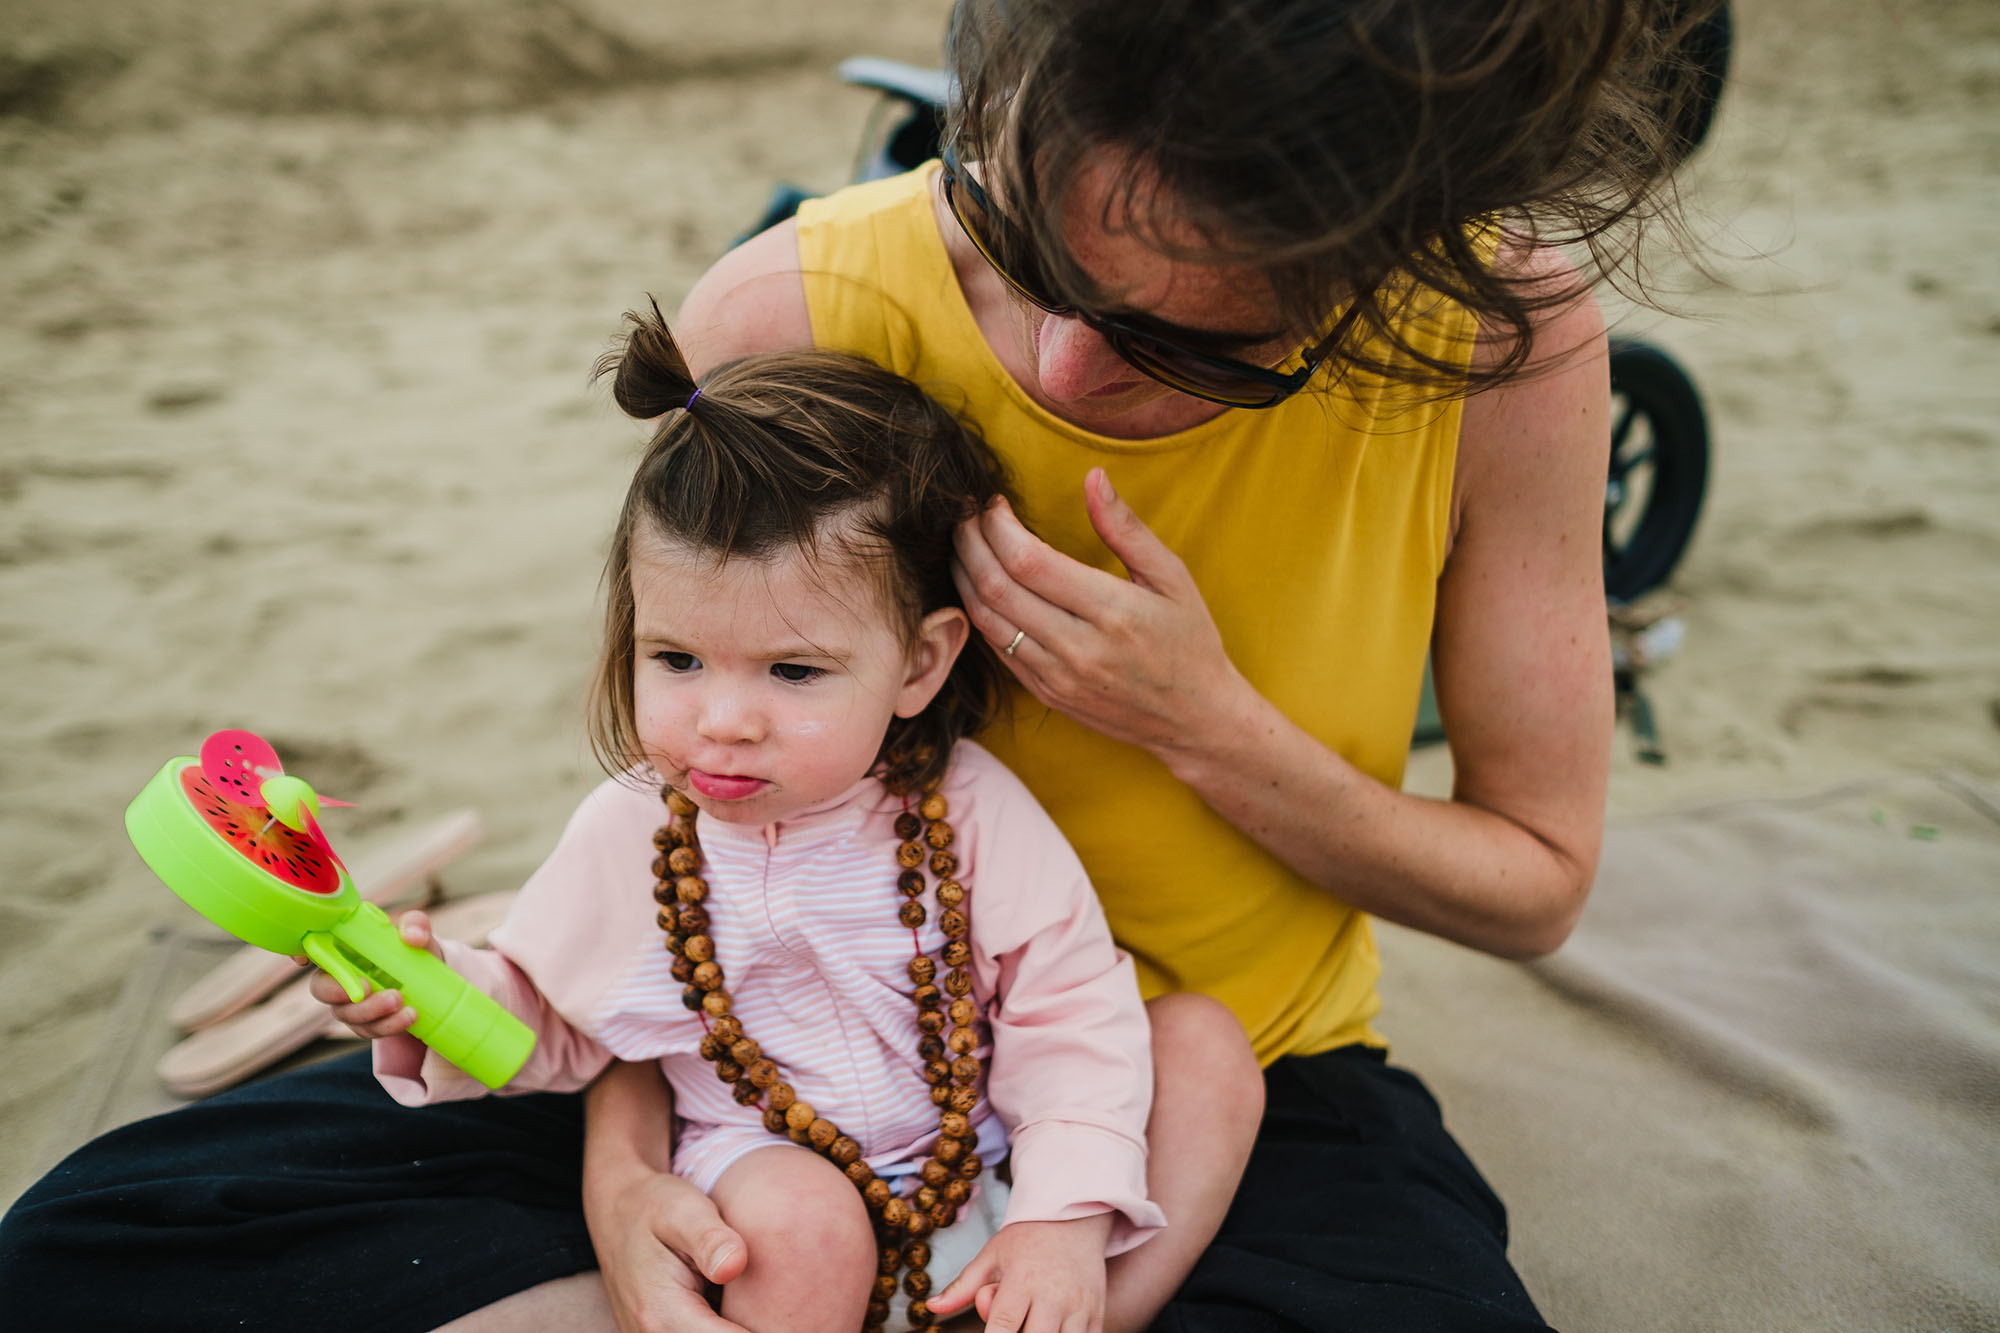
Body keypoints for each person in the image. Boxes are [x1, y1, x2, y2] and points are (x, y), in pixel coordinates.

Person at [0, 1, 1712, 1329]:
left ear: (1395, 262)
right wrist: (627, 1169)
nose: (1053, 360)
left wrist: (1208, 730)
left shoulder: (1496, 340)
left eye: (1205, 340)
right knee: (93, 1245)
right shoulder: (782, 315)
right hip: (753, 1075)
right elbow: (676, 840)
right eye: (1020, 244)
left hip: (1217, 1086)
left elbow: (1534, 883)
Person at [299, 305, 1262, 1333]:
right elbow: (553, 1017)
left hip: (985, 1167)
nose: (722, 723)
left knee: (1204, 1049)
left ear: (920, 664)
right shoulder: (638, 830)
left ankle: (1086, 1312)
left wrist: (1061, 1216)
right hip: (763, 1177)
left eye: (792, 671)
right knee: (804, 1223)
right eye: (675, 660)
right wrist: (435, 996)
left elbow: (1066, 1013)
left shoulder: (968, 812)